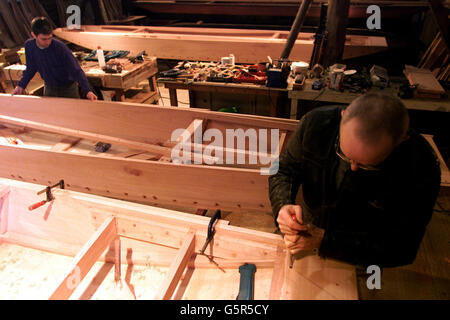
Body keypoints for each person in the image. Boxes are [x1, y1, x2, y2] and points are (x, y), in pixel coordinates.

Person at [269, 92, 441, 267]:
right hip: (309, 224)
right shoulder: (317, 124)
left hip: (359, 247)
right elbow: (283, 170)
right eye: (343, 154)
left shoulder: (421, 165)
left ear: (400, 141)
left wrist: (325, 241)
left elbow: (402, 249)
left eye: (366, 165)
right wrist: (282, 205)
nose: (352, 168)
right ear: (343, 115)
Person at [12, 17, 97, 100]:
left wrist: (88, 91)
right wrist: (21, 86)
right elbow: (31, 68)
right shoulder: (29, 46)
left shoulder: (60, 47)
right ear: (34, 35)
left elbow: (76, 70)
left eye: (50, 38)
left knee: (71, 113)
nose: (48, 42)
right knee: (51, 112)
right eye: (44, 39)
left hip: (68, 88)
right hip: (49, 87)